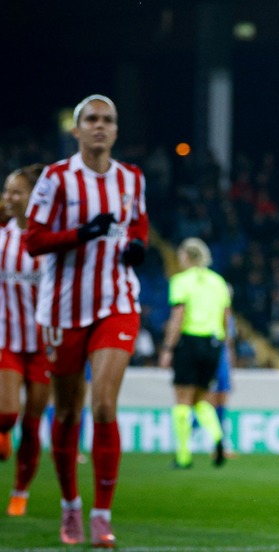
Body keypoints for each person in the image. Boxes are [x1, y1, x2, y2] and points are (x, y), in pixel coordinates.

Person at [25, 94, 149, 547]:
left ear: (116, 131)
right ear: (76, 130)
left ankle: (101, 514)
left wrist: (138, 247)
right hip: (62, 309)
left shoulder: (131, 179)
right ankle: (70, 506)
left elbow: (138, 227)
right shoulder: (56, 180)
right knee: (69, 411)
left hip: (116, 302)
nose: (100, 126)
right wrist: (82, 234)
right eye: (91, 119)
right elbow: (34, 241)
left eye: (108, 120)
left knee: (104, 406)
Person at [0, 164, 50, 517]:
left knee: (32, 426)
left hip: (44, 346)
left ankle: (20, 492)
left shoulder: (48, 241)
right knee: (7, 414)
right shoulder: (1, 239)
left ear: (33, 197)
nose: (8, 198)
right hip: (8, 340)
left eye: (16, 191)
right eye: (6, 192)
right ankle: (3, 435)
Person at [158, 237, 230, 469]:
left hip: (189, 341)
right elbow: (225, 317)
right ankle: (218, 437)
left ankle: (183, 456)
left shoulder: (181, 281)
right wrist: (222, 345)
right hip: (213, 343)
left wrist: (168, 348)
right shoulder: (219, 282)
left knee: (182, 399)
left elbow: (178, 315)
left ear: (186, 257)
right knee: (202, 398)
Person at [207, 283, 237, 457]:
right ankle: (186, 437)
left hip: (223, 361)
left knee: (221, 400)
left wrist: (230, 368)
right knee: (209, 401)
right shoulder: (213, 313)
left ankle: (219, 444)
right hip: (214, 359)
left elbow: (229, 344)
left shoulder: (229, 316)